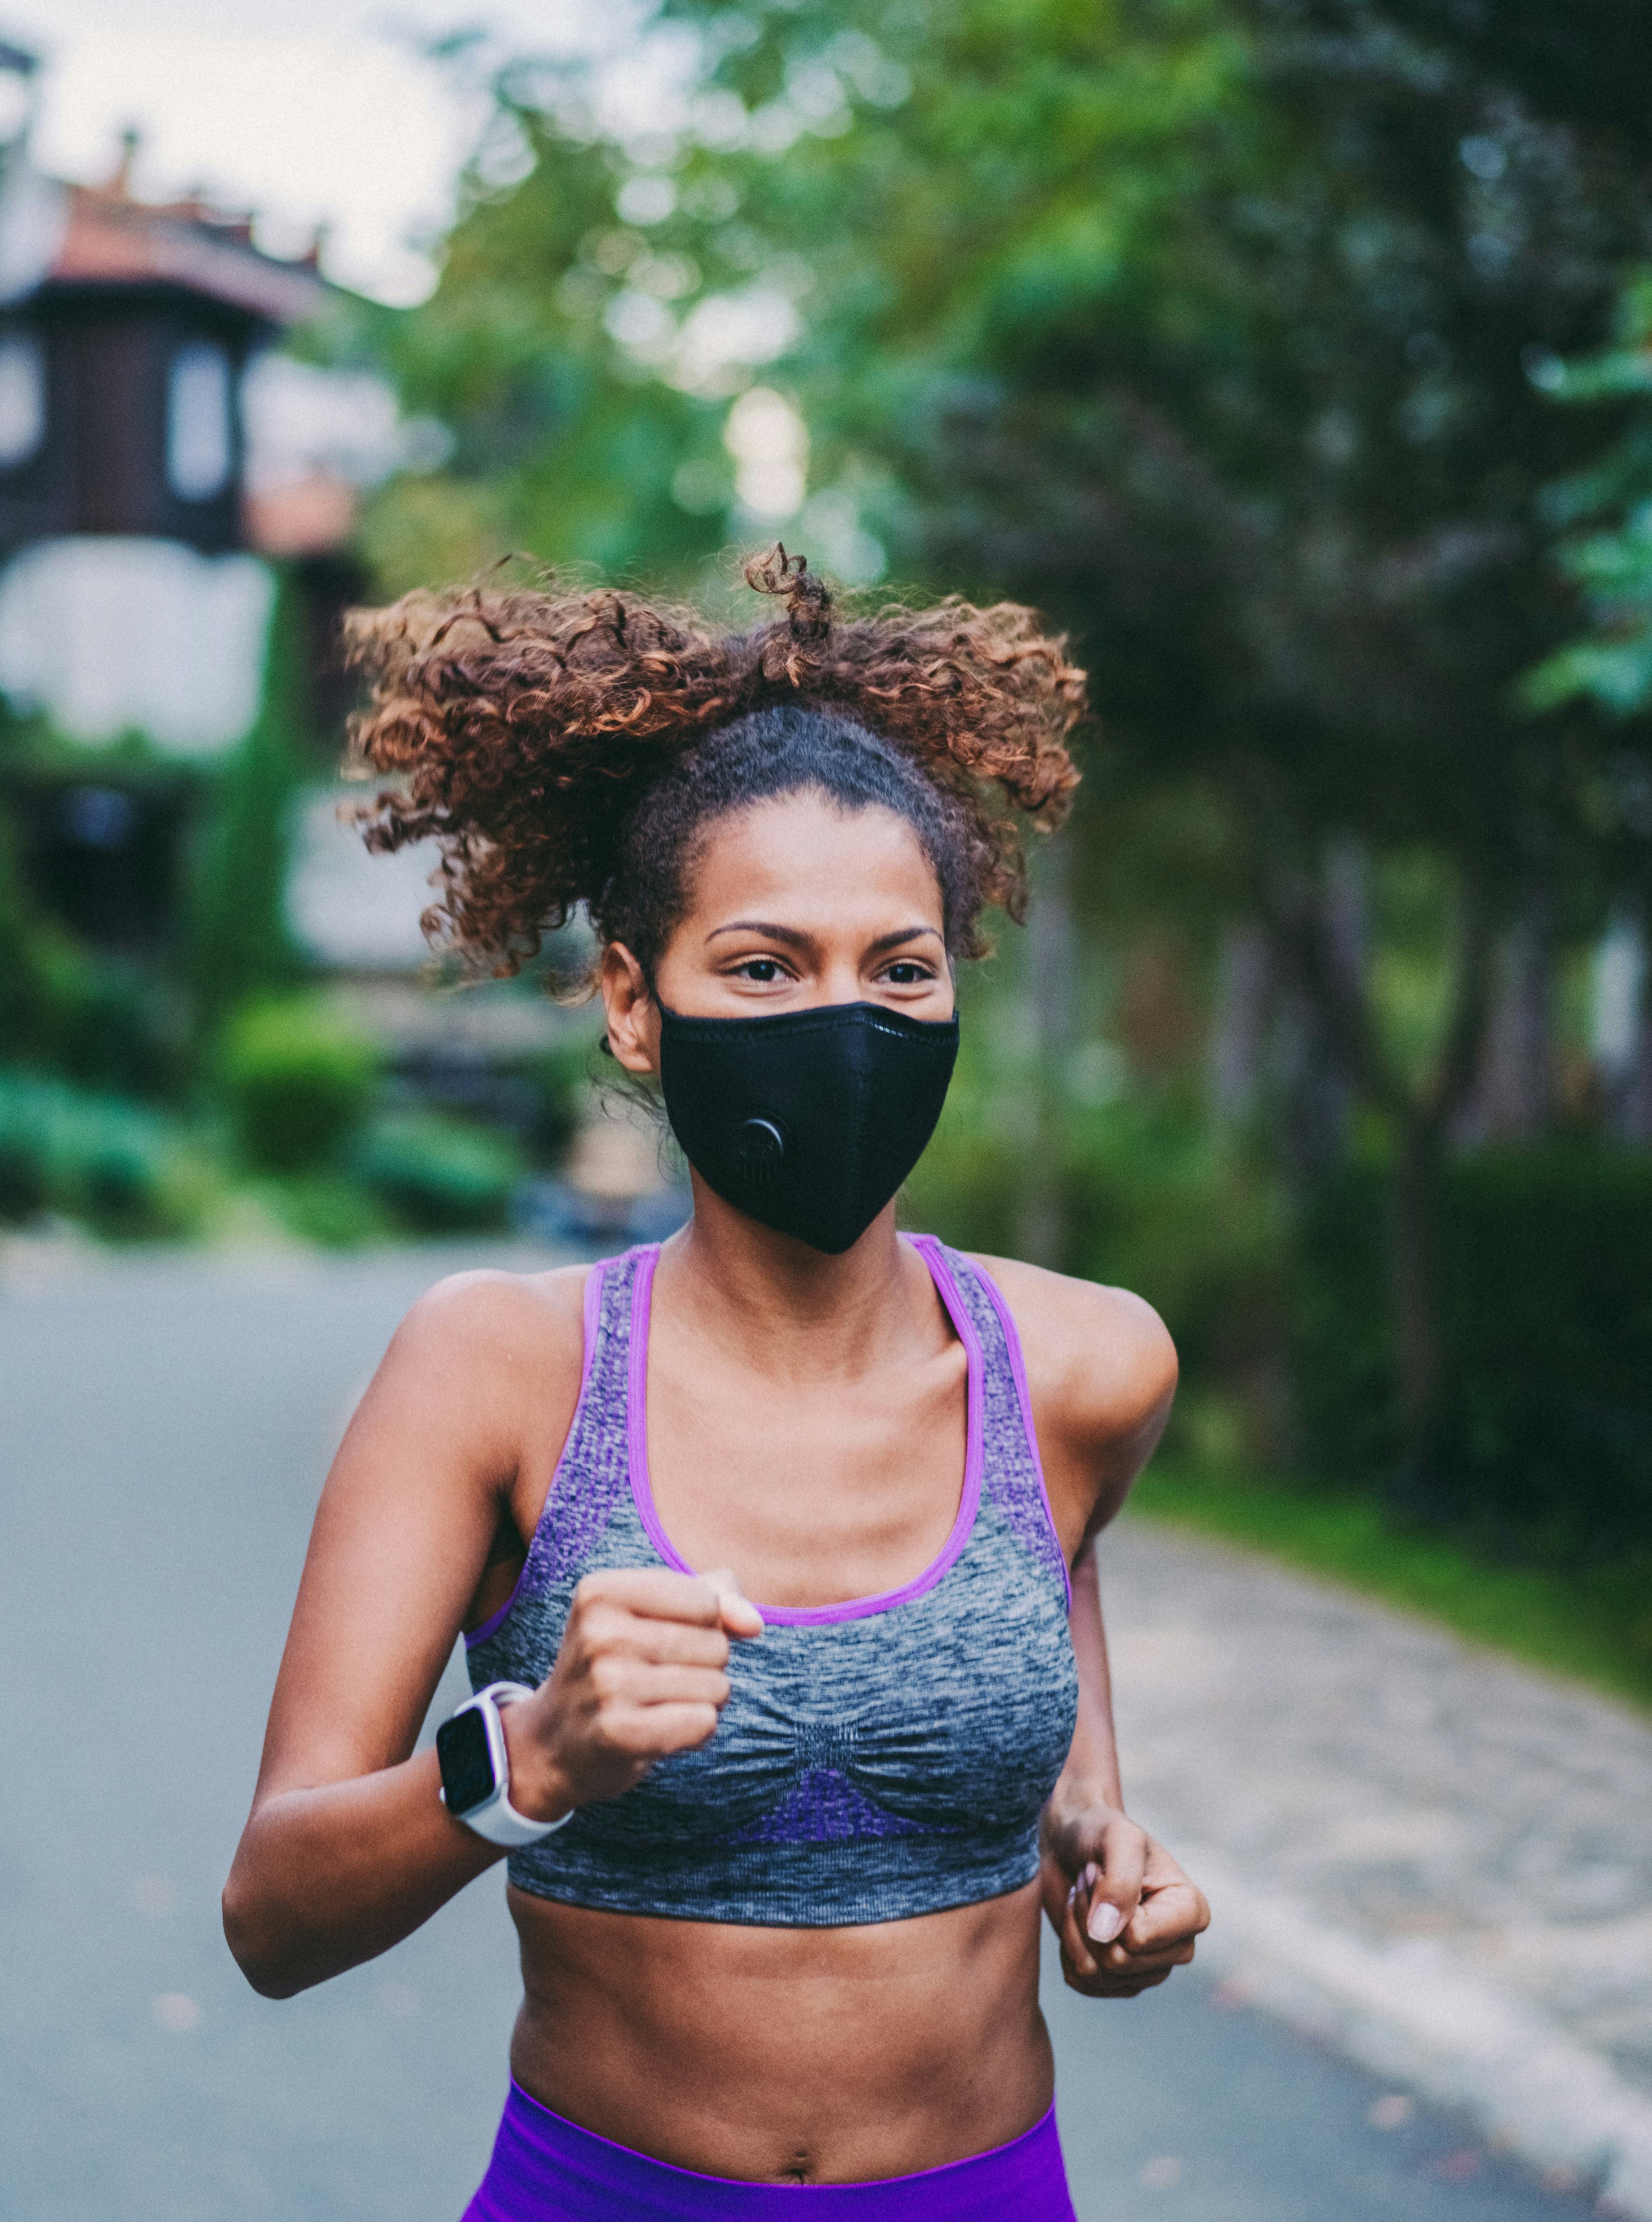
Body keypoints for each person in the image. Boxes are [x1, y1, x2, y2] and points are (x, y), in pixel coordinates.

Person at [222, 553, 1208, 2218]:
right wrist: (527, 1758)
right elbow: (274, 1914)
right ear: (629, 1000)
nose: (842, 1022)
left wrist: (1097, 1856)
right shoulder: (500, 1373)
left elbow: (1050, 1609)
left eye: (899, 969)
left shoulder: (1087, 1368)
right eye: (761, 967)